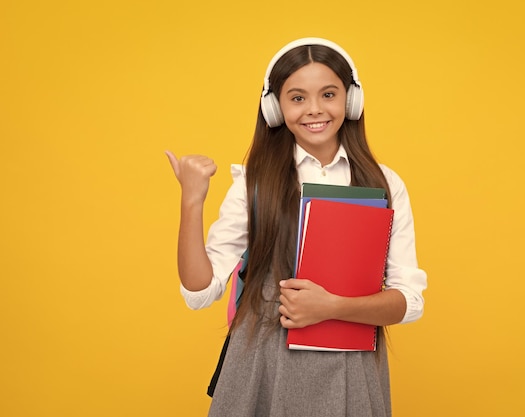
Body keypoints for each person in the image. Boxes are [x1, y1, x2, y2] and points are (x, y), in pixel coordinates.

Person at [165, 37, 427, 417]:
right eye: (298, 97)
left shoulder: (384, 184)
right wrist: (192, 200)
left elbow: (410, 301)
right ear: (274, 108)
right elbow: (200, 291)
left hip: (351, 368)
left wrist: (332, 306)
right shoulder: (253, 182)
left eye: (329, 94)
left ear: (351, 101)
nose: (315, 109)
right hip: (262, 366)